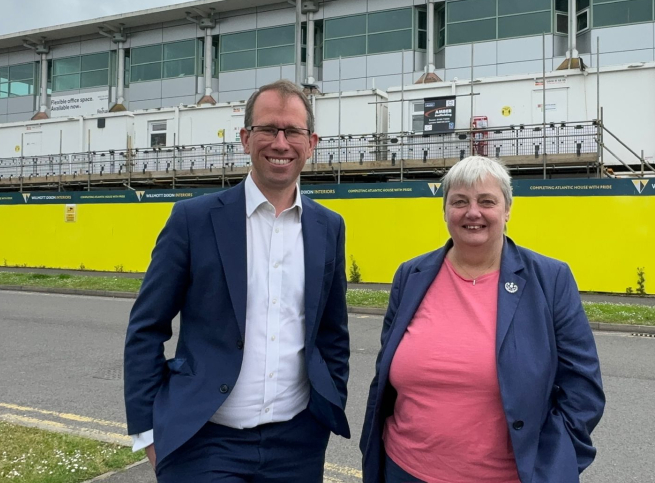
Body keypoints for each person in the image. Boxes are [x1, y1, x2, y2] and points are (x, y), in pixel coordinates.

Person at [124, 80, 350, 482]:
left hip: (298, 443)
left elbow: (333, 332)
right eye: (268, 129)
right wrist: (148, 432)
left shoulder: (328, 226)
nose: (280, 143)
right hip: (205, 442)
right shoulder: (193, 220)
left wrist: (327, 407)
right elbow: (146, 328)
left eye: (293, 131)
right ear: (246, 138)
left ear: (311, 142)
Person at [360, 155, 604, 483]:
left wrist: (552, 466)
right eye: (459, 201)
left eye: (487, 201)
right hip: (403, 469)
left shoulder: (550, 279)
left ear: (507, 210)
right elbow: (384, 374)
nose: (473, 212)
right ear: (445, 210)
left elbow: (582, 389)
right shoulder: (411, 275)